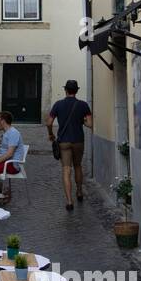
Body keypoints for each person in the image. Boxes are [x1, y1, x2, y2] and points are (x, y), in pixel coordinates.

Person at [46, 80, 93, 212]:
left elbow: (49, 122)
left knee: (66, 169)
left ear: (65, 90)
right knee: (78, 165)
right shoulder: (83, 105)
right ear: (76, 91)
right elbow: (90, 124)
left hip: (64, 141)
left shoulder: (58, 105)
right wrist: (82, 120)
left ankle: (69, 201)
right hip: (78, 140)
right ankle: (79, 192)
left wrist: (51, 134)